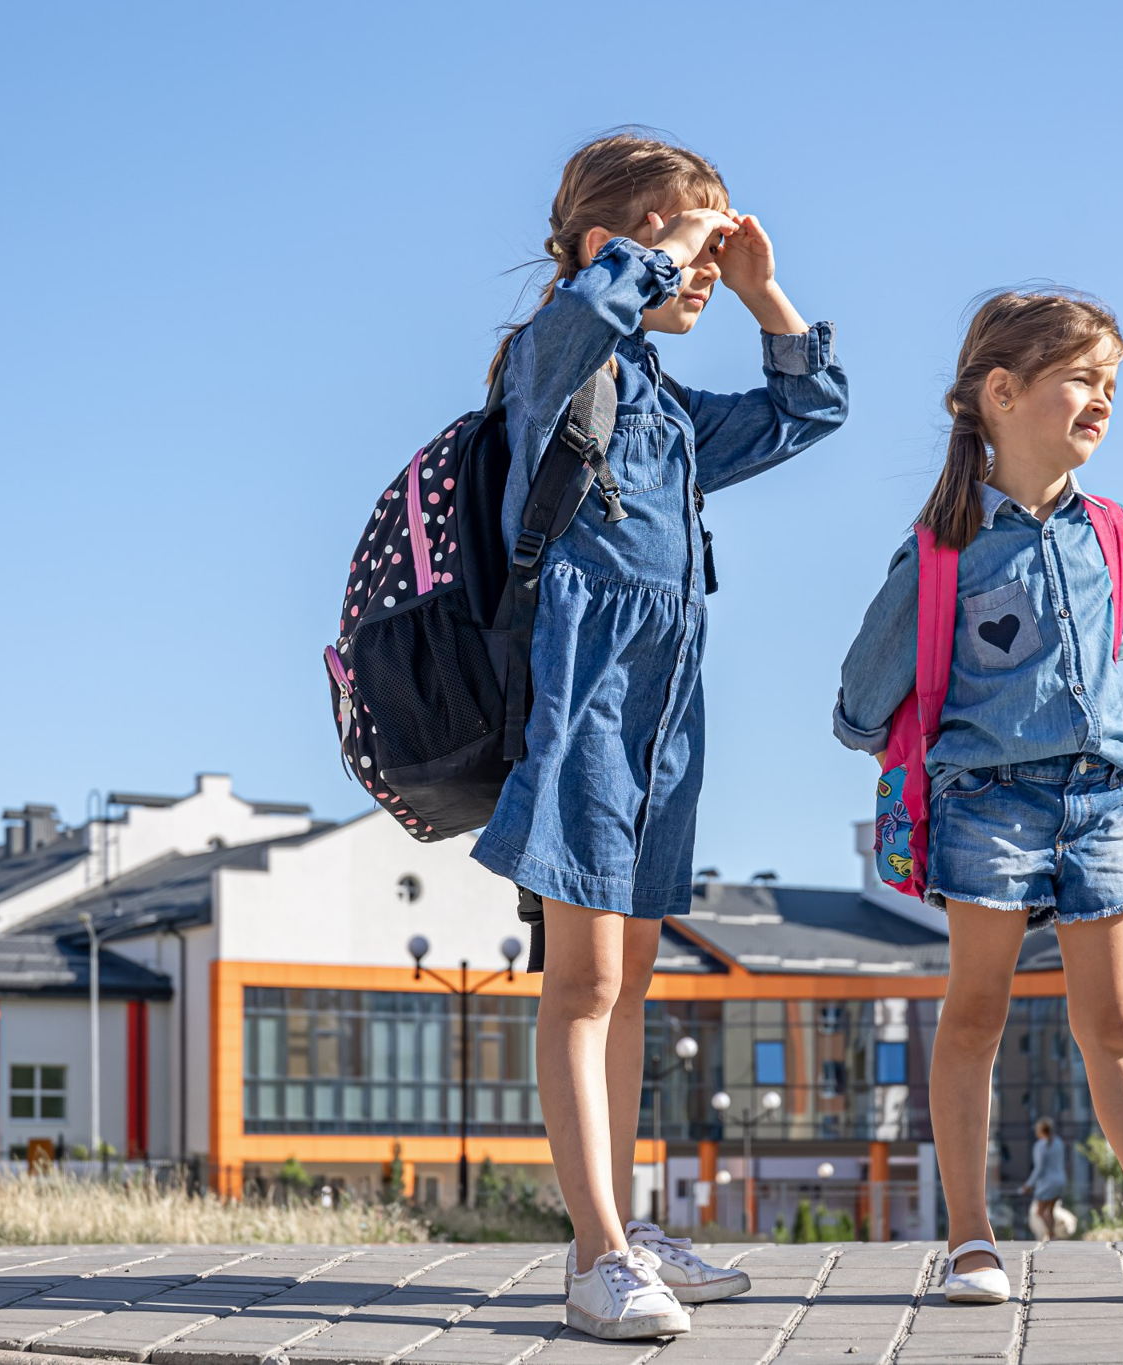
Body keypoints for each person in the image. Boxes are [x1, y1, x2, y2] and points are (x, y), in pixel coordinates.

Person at [833, 290, 1123, 1306]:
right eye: (1081, 378)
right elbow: (860, 699)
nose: (1104, 399)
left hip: (1103, 804)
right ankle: (970, 1243)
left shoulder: (1112, 536)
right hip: (989, 806)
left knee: (1116, 1025)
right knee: (975, 1015)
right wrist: (918, 747)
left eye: (1111, 382)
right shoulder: (940, 553)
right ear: (1000, 391)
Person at [477, 131, 848, 1340]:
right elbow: (587, 313)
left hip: (662, 715)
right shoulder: (553, 362)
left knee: (631, 980)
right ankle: (594, 1258)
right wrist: (663, 249)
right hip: (581, 702)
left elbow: (810, 409)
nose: (700, 268)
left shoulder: (666, 406)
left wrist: (760, 291)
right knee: (582, 983)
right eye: (682, 242)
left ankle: (623, 1233)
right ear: (606, 247)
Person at [1023, 1117, 1068, 1243]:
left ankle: (1051, 1235)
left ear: (1040, 1131)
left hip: (1048, 1183)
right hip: (1060, 1180)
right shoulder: (1058, 1142)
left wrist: (1029, 1184)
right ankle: (1052, 1235)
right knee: (1050, 1211)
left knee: (1040, 1211)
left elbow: (1039, 1168)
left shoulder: (1040, 1145)